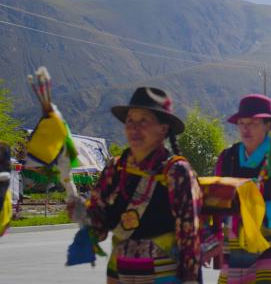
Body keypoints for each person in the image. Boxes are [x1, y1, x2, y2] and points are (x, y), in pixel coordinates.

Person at [70, 87, 202, 283]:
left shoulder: (176, 172)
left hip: (164, 273)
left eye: (144, 121)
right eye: (130, 120)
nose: (134, 128)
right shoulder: (115, 168)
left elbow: (189, 234)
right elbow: (98, 230)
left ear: (163, 129)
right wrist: (82, 213)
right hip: (119, 272)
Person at [215, 94, 271, 283]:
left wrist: (267, 214)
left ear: (267, 126)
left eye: (253, 123)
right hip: (235, 240)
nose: (246, 129)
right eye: (242, 123)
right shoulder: (227, 157)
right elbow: (216, 197)